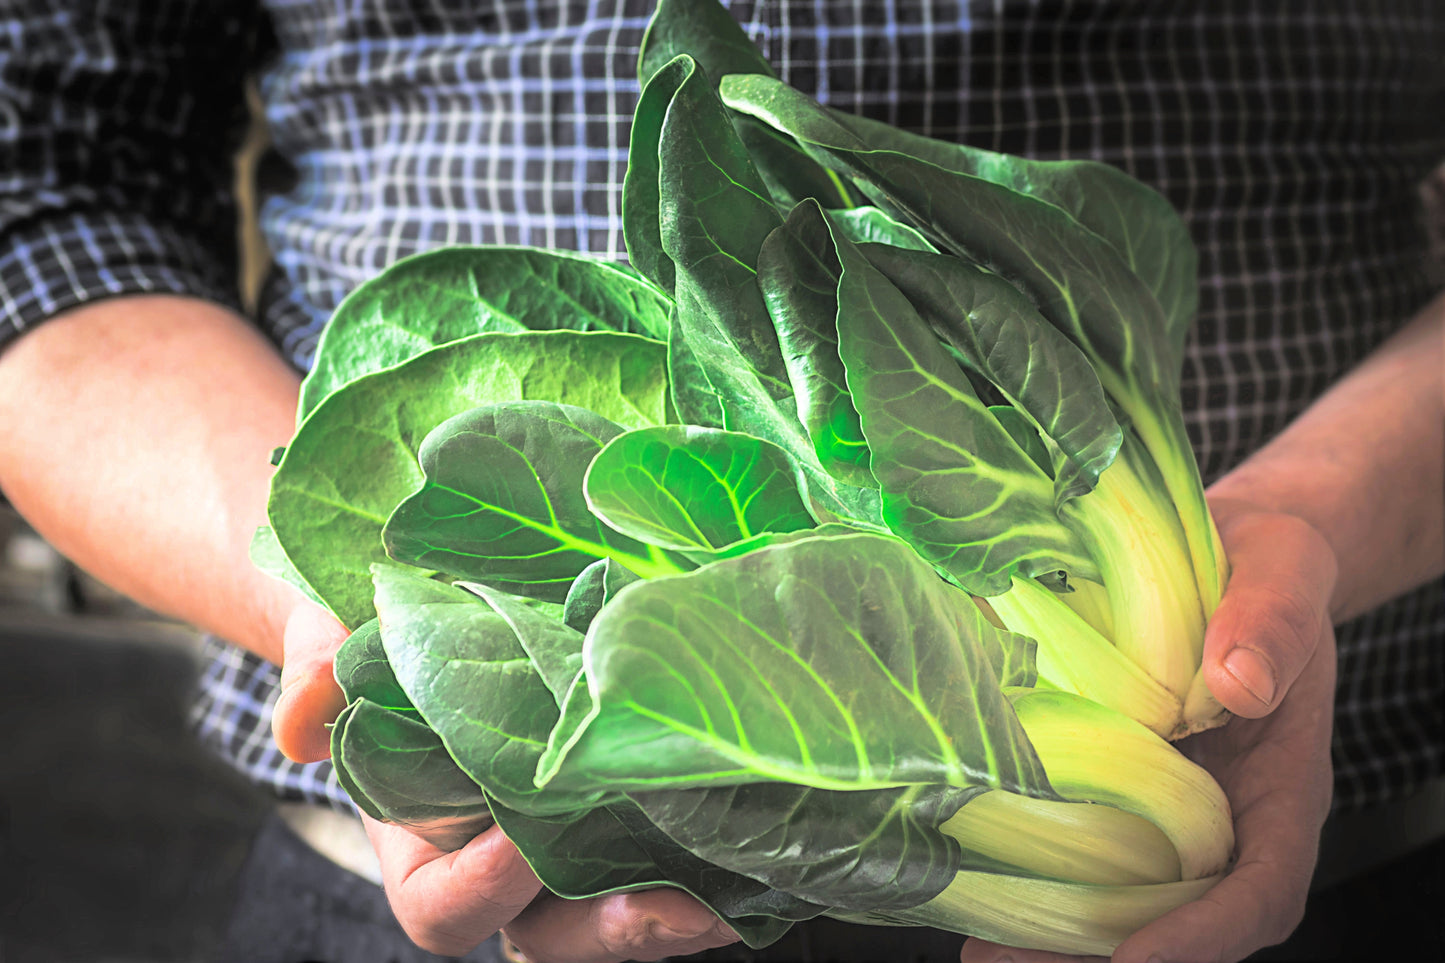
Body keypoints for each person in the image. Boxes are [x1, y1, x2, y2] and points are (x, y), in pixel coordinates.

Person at [0, 2, 1441, 961]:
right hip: (448, 901)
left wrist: (1301, 521)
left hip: (1328, 848)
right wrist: (319, 591)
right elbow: (37, 191)